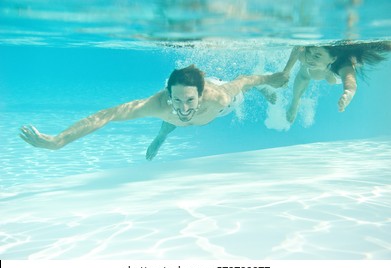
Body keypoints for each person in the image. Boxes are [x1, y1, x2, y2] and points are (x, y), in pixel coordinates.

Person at [20, 65, 286, 160]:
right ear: (168, 94)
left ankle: (261, 93)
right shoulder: (159, 104)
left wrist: (268, 79)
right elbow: (107, 115)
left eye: (190, 100)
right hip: (174, 111)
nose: (184, 107)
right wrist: (59, 140)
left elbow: (246, 80)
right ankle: (161, 137)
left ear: (200, 95)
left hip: (221, 110)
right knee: (172, 120)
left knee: (243, 92)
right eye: (177, 99)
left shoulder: (218, 97)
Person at [280, 41, 391, 123]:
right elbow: (297, 48)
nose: (310, 58)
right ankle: (295, 102)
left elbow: (351, 83)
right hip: (310, 72)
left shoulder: (343, 65)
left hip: (337, 65)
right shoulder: (304, 56)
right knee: (304, 75)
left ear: (332, 59)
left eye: (317, 56)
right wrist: (286, 72)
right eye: (309, 52)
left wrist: (348, 94)